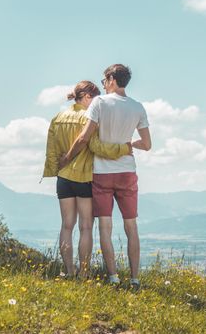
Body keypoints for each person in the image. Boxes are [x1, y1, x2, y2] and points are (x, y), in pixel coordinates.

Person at [60, 64, 151, 289]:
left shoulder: (100, 103)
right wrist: (127, 144)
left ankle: (113, 277)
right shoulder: (138, 107)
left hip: (102, 173)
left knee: (105, 227)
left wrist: (66, 159)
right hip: (127, 172)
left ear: (111, 79)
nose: (103, 84)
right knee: (131, 226)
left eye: (104, 80)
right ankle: (135, 278)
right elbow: (147, 145)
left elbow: (83, 137)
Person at [43, 80, 131, 279]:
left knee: (66, 225)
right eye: (95, 97)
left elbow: (52, 151)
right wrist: (124, 148)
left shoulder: (58, 117)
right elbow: (96, 147)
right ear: (87, 97)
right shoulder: (89, 118)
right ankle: (84, 273)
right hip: (84, 177)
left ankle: (68, 271)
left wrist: (56, 169)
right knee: (86, 226)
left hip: (63, 178)